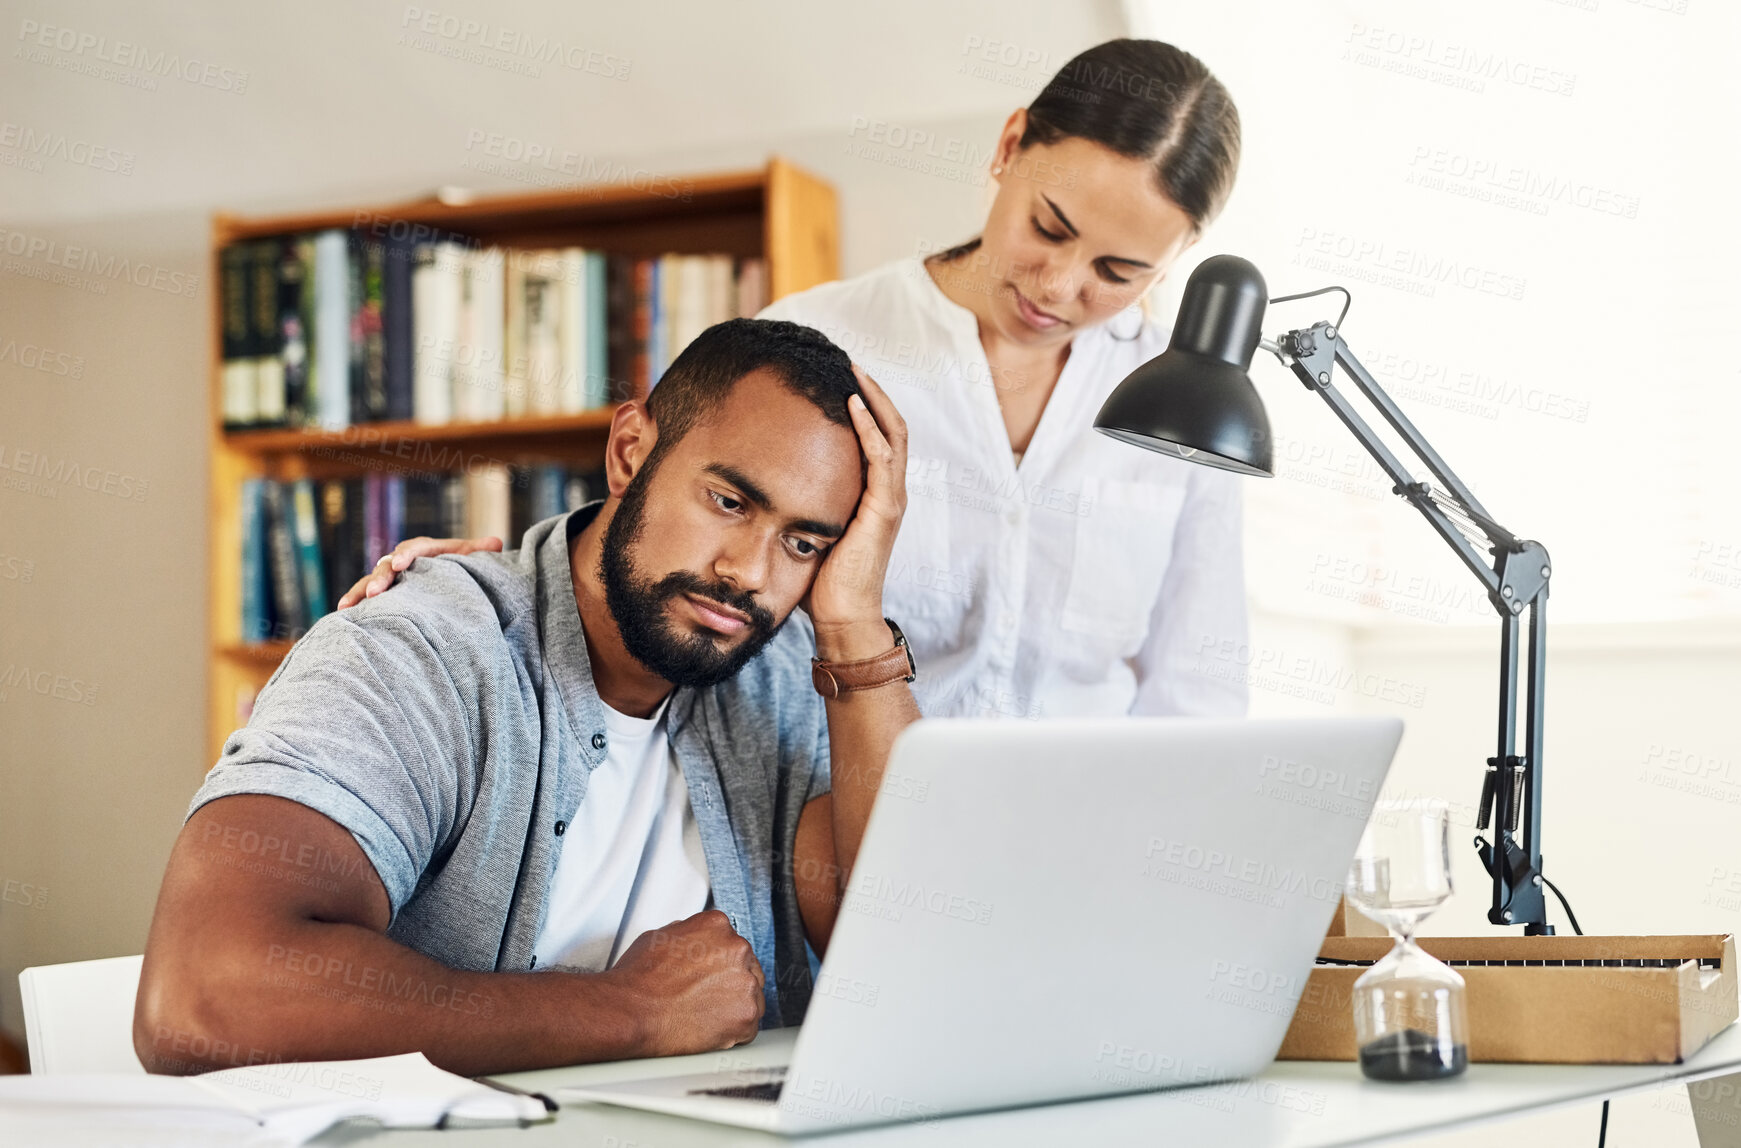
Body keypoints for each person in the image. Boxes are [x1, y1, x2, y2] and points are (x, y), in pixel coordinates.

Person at [343, 38, 1248, 722]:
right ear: (1010, 144)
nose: (1059, 286)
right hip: (835, 846)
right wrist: (491, 590)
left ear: (1177, 260)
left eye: (1117, 272)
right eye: (1047, 228)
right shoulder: (825, 339)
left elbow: (1197, 687)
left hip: (1079, 865)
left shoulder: (1186, 410)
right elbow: (662, 545)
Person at [135, 320, 919, 1076]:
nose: (750, 571)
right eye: (728, 502)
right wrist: (628, 1011)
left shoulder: (786, 681)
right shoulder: (424, 650)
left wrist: (854, 628)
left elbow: (905, 962)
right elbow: (203, 995)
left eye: (803, 542)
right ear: (628, 452)